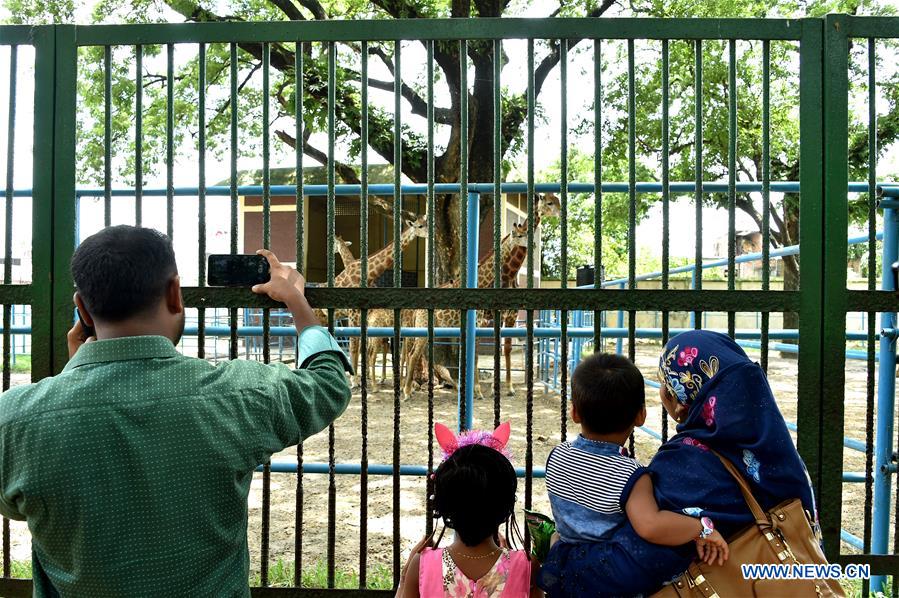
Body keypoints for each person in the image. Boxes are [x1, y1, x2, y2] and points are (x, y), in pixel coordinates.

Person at [0, 225, 352, 597]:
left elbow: (19, 507)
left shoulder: (16, 420)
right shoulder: (236, 396)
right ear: (174, 293)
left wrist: (76, 378)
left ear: (83, 308)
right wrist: (296, 301)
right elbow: (329, 384)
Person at [538, 331, 818, 597]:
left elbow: (633, 559)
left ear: (681, 400)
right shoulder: (776, 452)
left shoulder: (685, 464)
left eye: (665, 383)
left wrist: (560, 562)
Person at [545, 353, 728, 566]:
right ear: (641, 416)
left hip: (564, 563)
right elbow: (651, 525)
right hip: (607, 574)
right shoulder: (631, 474)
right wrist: (702, 527)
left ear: (575, 413)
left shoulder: (557, 456)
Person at [396, 422, 543, 598]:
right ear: (505, 507)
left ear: (443, 506)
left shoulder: (422, 565)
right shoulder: (527, 567)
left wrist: (405, 580)